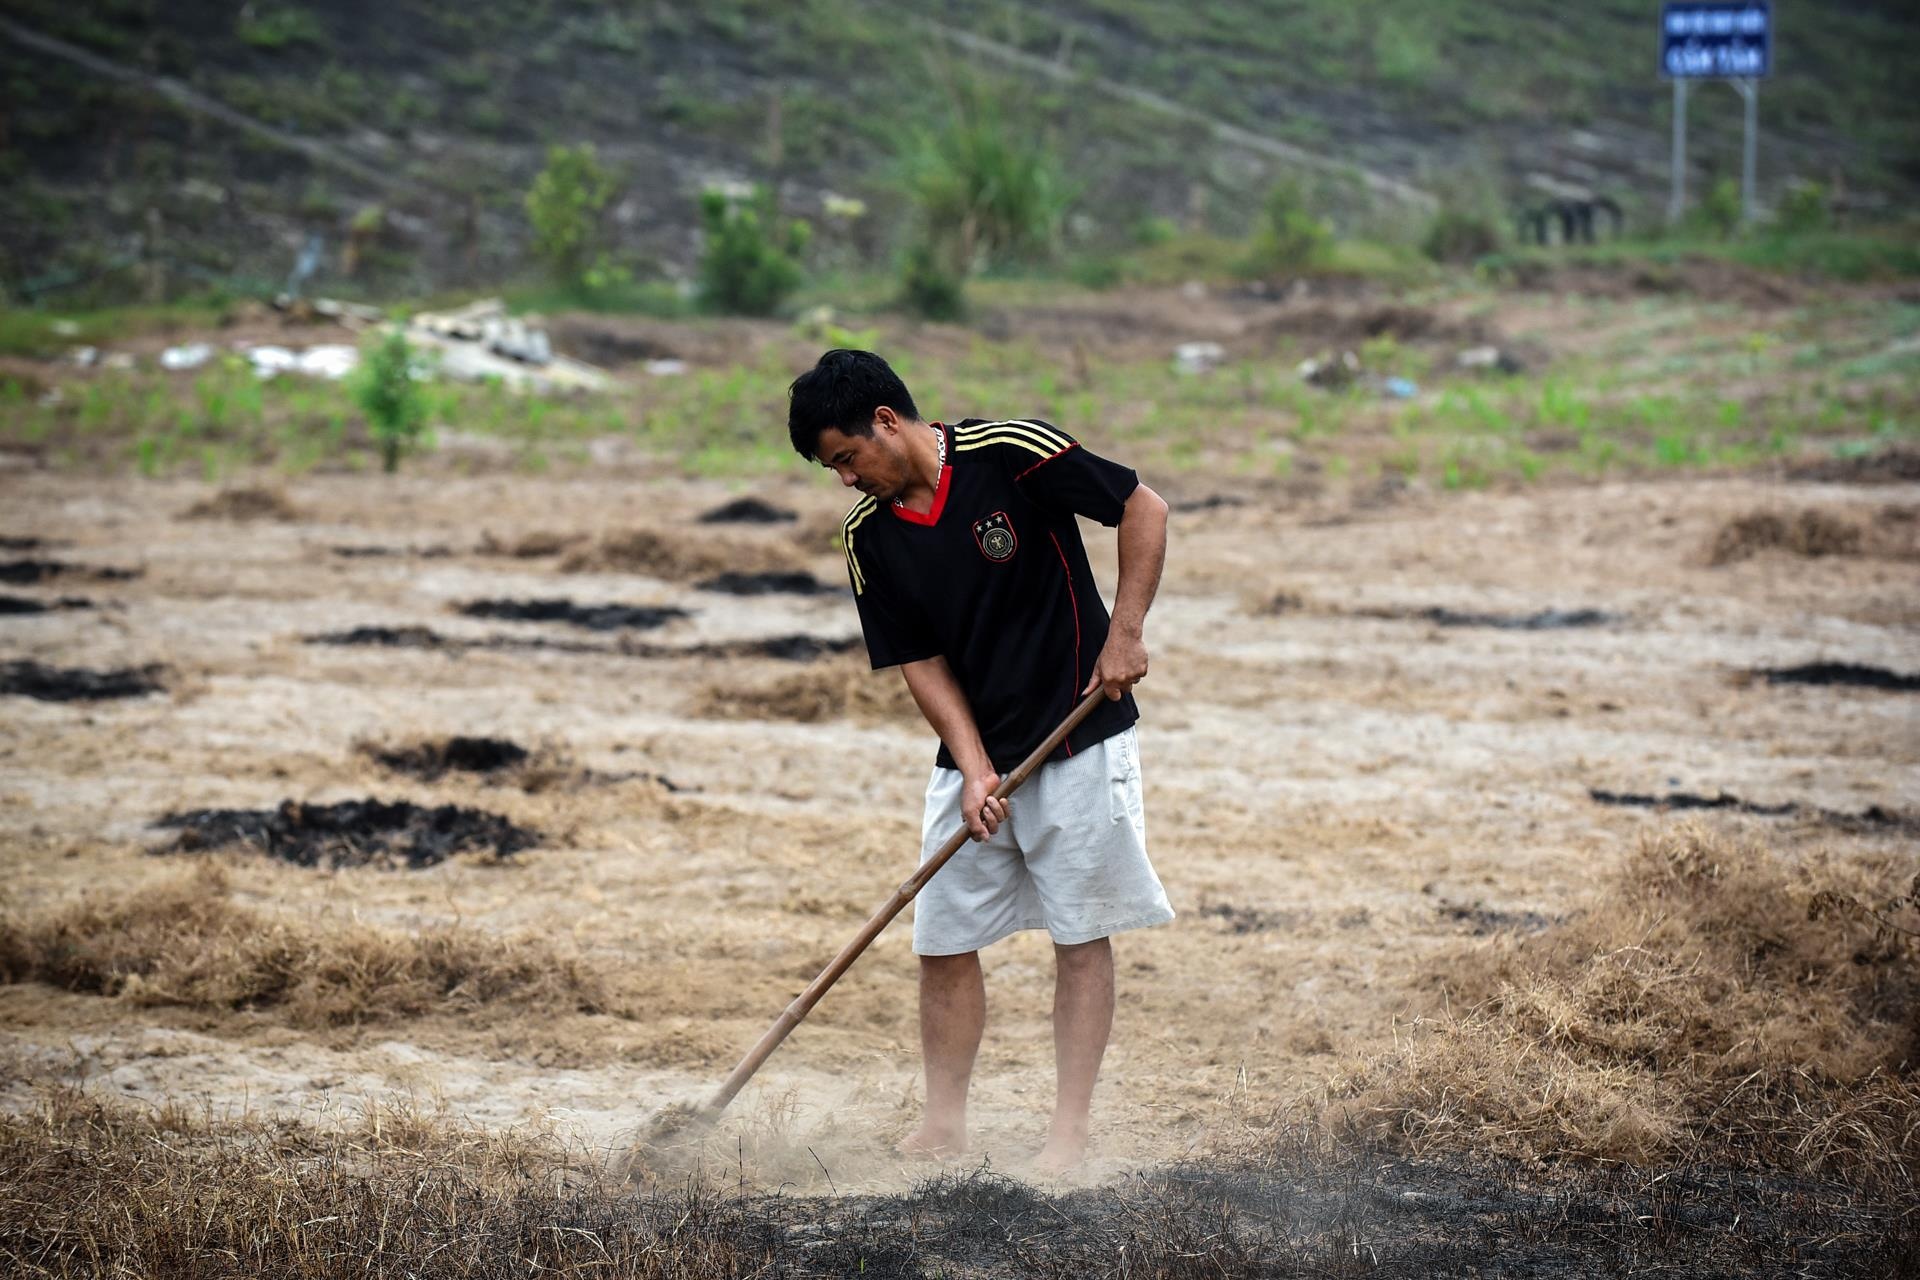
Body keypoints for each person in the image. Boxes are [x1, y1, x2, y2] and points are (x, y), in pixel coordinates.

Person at [785, 348, 1174, 1171]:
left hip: (1079, 730)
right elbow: (919, 659)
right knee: (944, 935)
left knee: (1080, 929)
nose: (846, 481)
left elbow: (1143, 508)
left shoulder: (1010, 453)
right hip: (977, 754)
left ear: (887, 421)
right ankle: (945, 1126)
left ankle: (1068, 1134)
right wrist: (971, 767)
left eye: (847, 459)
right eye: (834, 470)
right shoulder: (868, 537)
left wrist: (1126, 632)